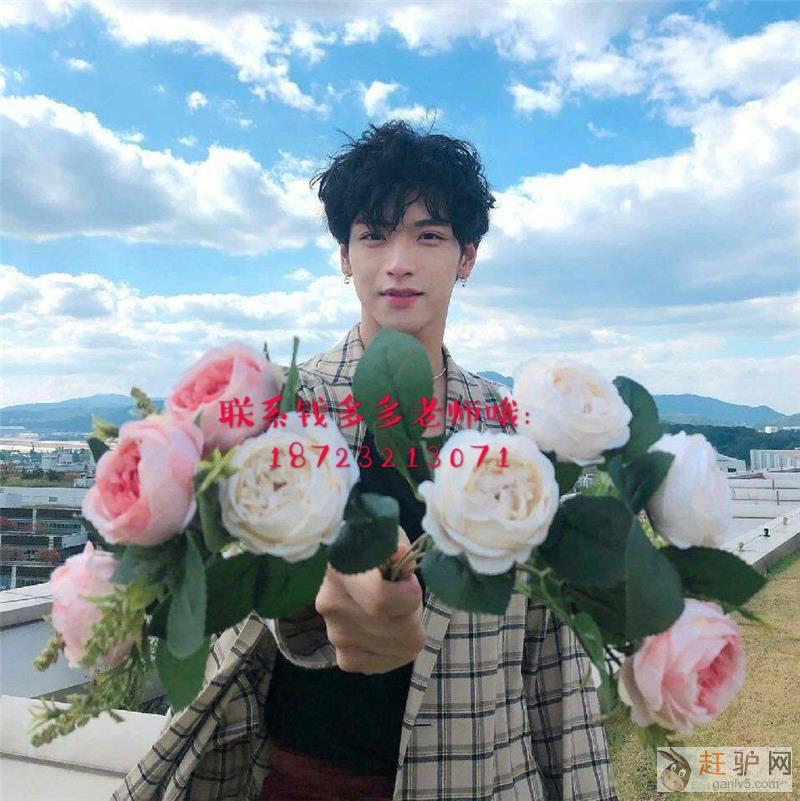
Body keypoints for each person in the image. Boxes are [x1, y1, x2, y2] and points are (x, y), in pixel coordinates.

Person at [112, 120, 619, 801]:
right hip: (294, 774)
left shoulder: (512, 432)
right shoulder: (287, 407)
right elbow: (234, 576)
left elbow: (549, 656)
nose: (398, 261)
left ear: (467, 257)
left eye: (429, 236)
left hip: (475, 772)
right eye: (374, 236)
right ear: (346, 258)